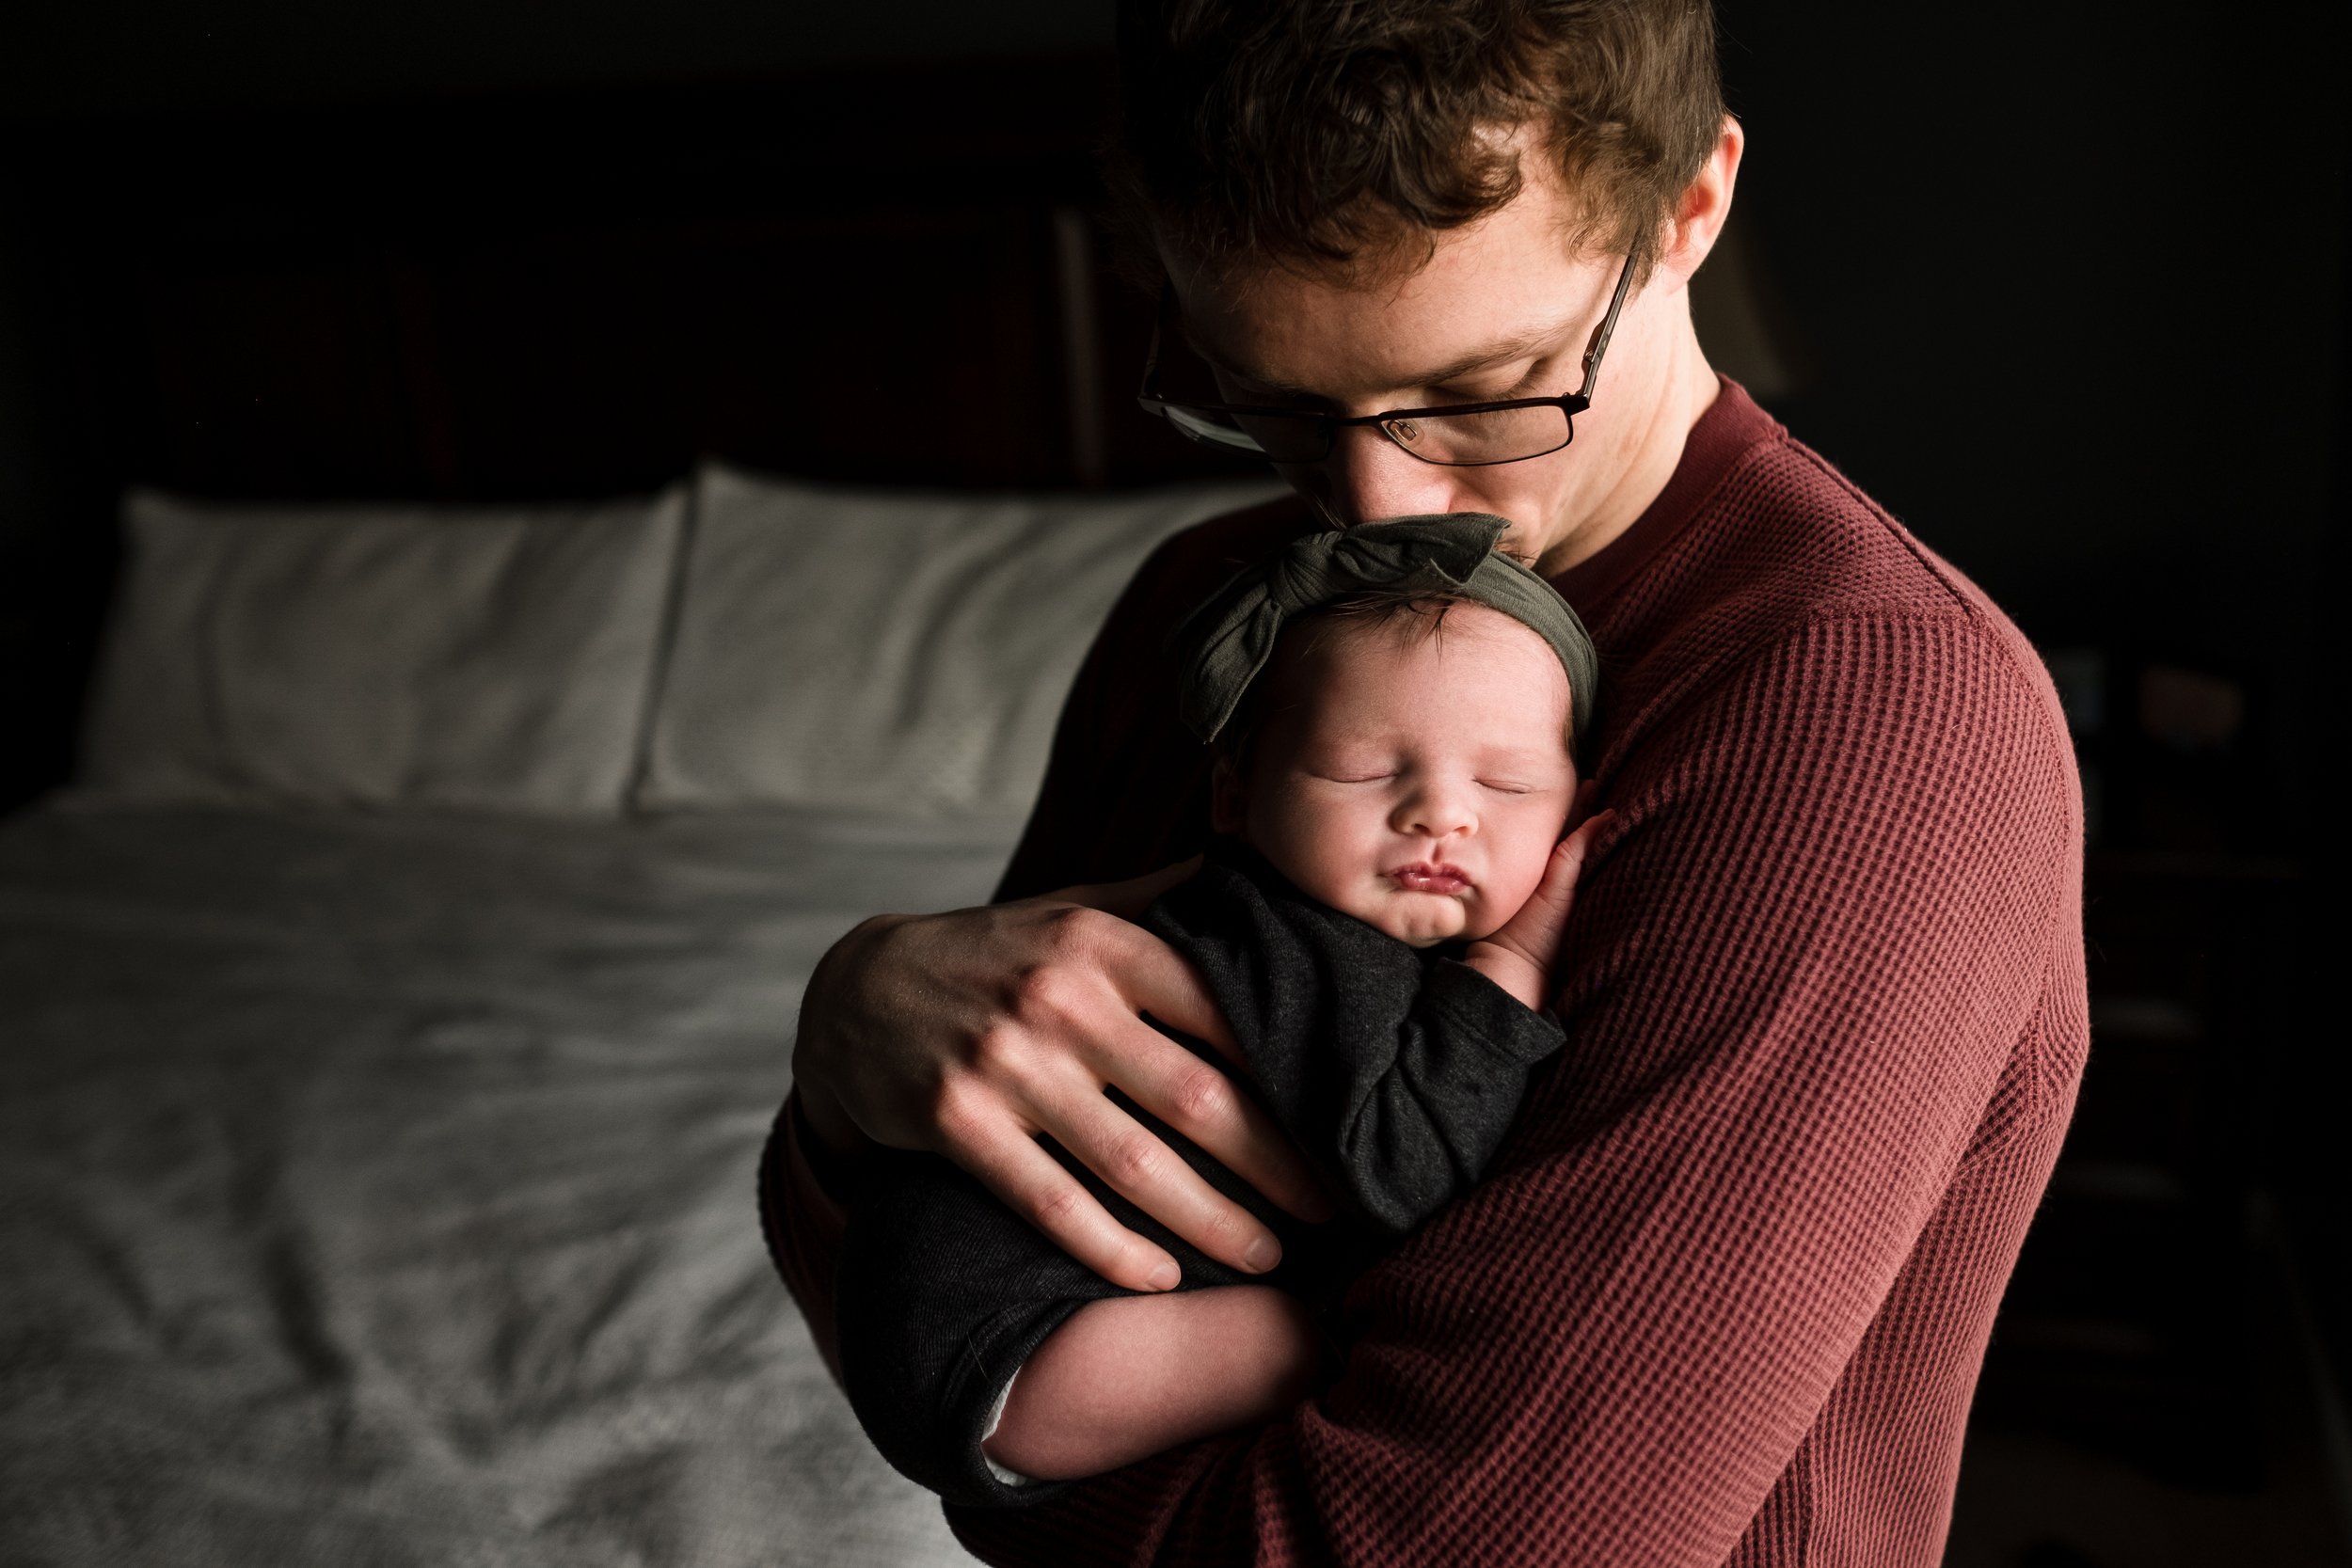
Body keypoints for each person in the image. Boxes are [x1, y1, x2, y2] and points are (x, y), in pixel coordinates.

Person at [762, 2, 2089, 1563]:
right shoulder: (1213, 602)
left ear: (1692, 210)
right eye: (1276, 404)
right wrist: (847, 1057)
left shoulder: (1862, 716)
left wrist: (1014, 1461)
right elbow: (958, 1264)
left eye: (1487, 387)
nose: (1378, 505)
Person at [832, 516, 1613, 1504]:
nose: (1439, 813)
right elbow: (1408, 1170)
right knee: (1358, 1328)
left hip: (955, 1331)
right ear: (1236, 794)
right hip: (1015, 1353)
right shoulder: (1293, 942)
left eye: (1506, 784)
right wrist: (1509, 962)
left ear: (1576, 801)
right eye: (1363, 770)